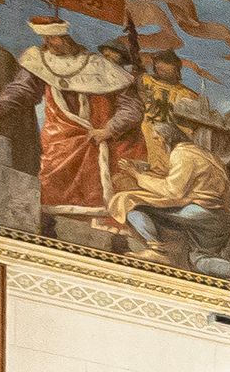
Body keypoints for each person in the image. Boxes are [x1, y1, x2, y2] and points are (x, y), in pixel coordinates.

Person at [18, 13, 141, 218]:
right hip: (57, 139)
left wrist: (109, 129)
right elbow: (22, 88)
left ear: (65, 38)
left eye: (52, 38)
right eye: (45, 38)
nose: (47, 43)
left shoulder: (100, 67)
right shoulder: (40, 60)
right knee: (50, 188)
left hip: (96, 141)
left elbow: (132, 107)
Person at [104, 110, 230, 262]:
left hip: (201, 212)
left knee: (128, 203)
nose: (157, 143)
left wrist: (137, 175)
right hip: (220, 217)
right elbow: (181, 181)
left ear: (166, 137)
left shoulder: (182, 153)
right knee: (199, 261)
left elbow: (173, 191)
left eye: (157, 138)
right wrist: (146, 171)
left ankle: (157, 250)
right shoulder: (201, 153)